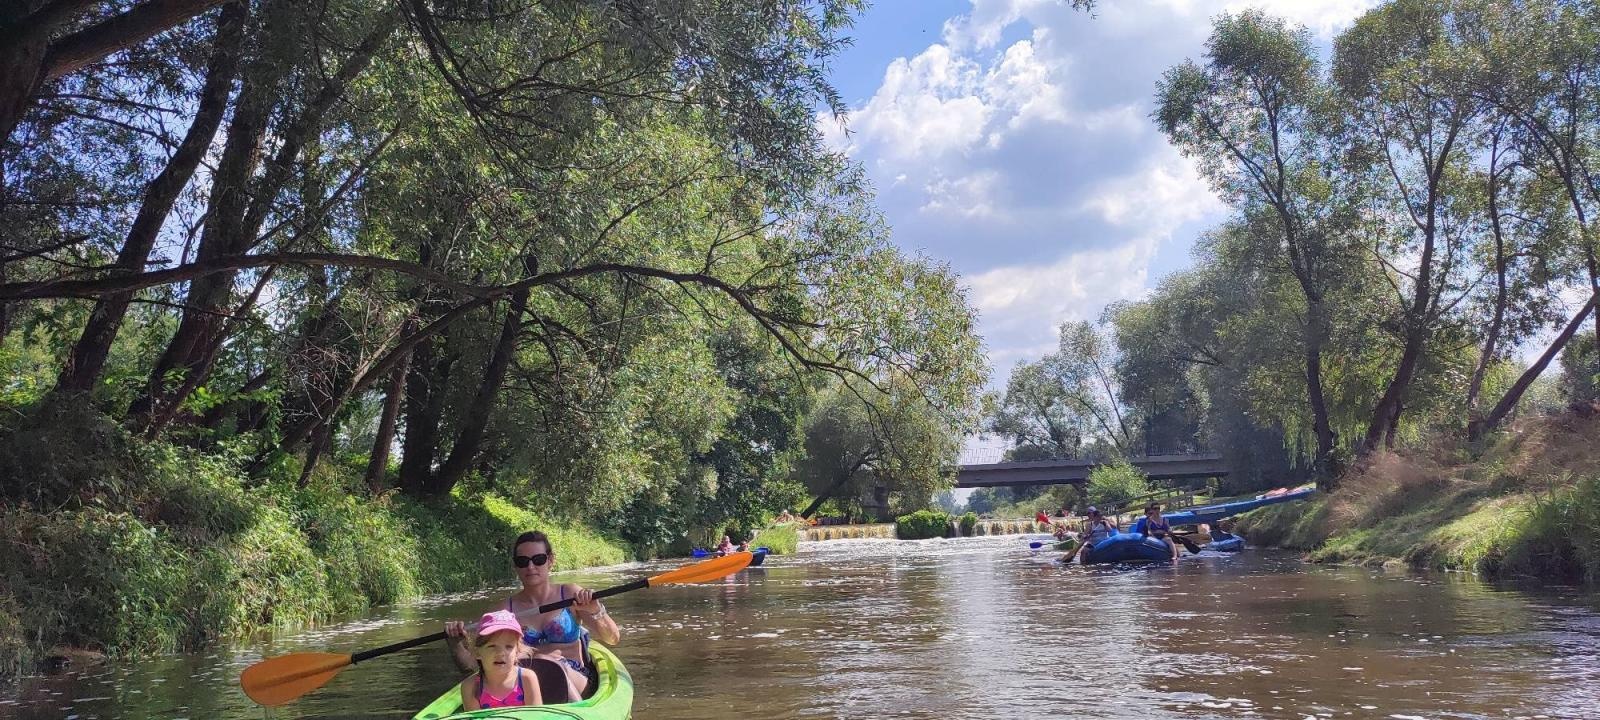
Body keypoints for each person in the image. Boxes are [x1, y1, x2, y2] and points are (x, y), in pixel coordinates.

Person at [446, 531, 622, 700]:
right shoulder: (503, 612)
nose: (530, 567)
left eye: (538, 559)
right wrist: (456, 644)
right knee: (535, 667)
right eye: (523, 561)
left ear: (550, 560)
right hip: (524, 683)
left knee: (547, 665)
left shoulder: (570, 594)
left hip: (574, 676)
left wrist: (595, 610)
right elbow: (475, 667)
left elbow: (613, 638)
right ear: (515, 566)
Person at [458, 610, 543, 710]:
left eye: (509, 646)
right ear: (477, 653)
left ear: (517, 651)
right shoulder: (470, 687)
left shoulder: (527, 679)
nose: (501, 653)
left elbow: (536, 715)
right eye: (492, 646)